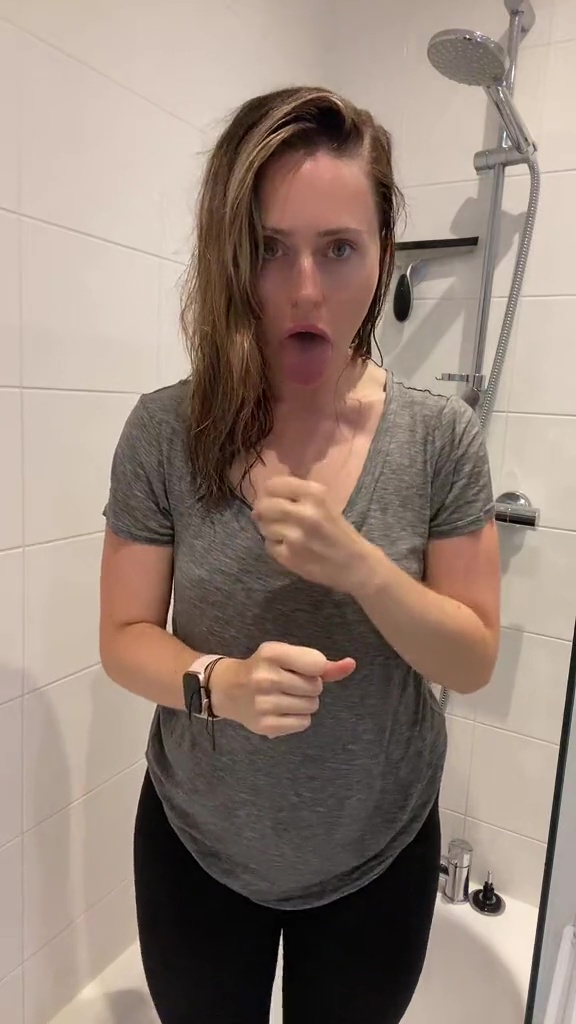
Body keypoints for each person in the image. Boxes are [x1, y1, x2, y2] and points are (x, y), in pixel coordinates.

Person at [100, 85, 500, 1024]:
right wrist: (221, 685)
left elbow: (472, 659)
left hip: (378, 855)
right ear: (228, 252)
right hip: (198, 845)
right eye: (270, 248)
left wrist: (361, 566)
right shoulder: (164, 432)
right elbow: (122, 637)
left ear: (384, 254)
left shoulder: (439, 439)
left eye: (339, 249)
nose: (305, 289)